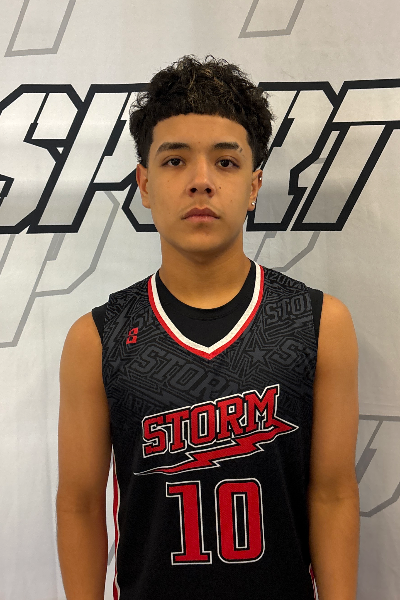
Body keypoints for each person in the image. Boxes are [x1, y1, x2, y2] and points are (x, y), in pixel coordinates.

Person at [57, 55, 359, 600]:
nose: (201, 181)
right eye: (175, 161)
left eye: (225, 161)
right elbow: (79, 503)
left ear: (254, 184)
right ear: (144, 184)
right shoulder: (97, 338)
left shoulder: (319, 323)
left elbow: (334, 494)